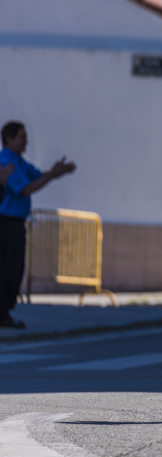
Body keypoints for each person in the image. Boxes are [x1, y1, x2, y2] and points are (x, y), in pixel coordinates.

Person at [0, 121, 76, 329]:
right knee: (7, 268)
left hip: (16, 222)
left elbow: (38, 176)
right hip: (6, 222)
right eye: (21, 137)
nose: (26, 142)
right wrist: (51, 176)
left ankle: (5, 310)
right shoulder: (7, 162)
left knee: (15, 268)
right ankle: (2, 312)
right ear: (9, 139)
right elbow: (25, 189)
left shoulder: (20, 162)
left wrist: (53, 173)